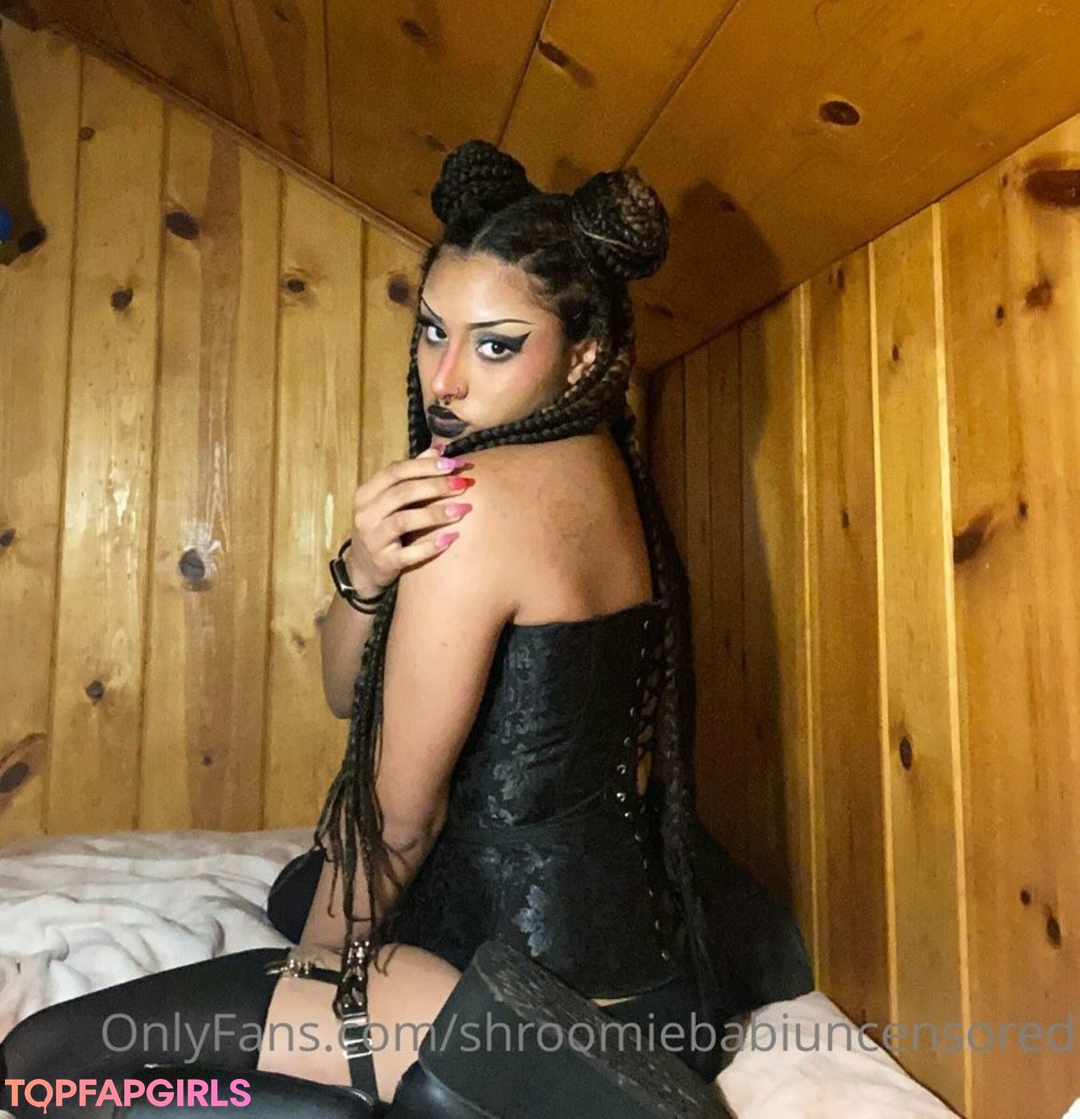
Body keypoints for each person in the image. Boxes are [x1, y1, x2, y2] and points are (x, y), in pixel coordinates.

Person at [1, 141, 750, 1117]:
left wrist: (316, 980)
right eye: (433, 331)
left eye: (495, 345)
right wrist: (364, 568)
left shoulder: (478, 503)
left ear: (585, 353)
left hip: (538, 994)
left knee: (42, 1059)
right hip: (634, 969)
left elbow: (398, 820)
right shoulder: (605, 465)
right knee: (297, 887)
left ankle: (484, 1084)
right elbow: (343, 692)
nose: (445, 379)